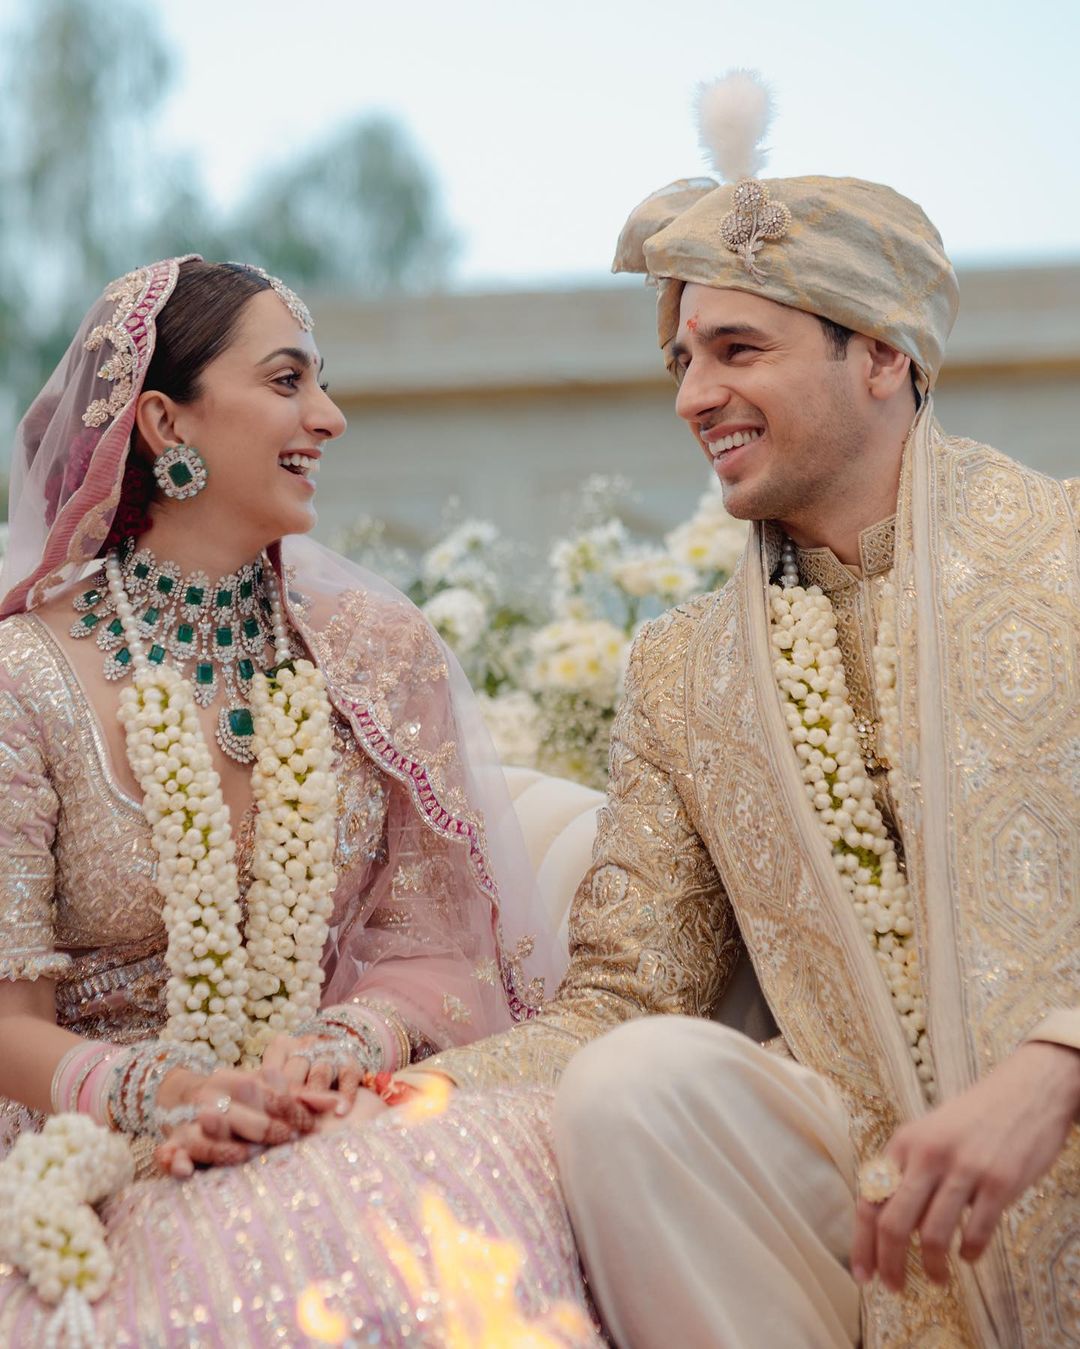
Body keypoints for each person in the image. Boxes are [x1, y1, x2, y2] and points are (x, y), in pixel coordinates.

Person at [411, 75, 1080, 1346]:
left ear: (882, 354)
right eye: (681, 359)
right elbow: (623, 996)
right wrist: (398, 1090)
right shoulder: (686, 667)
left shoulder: (1067, 549)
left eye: (737, 350)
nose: (690, 397)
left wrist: (1056, 1063)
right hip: (863, 1202)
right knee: (635, 1083)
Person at [0, 256, 603, 1346]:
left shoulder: (374, 655)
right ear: (160, 423)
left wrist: (341, 1039)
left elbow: (442, 948)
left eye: (320, 382)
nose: (327, 416)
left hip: (325, 1107)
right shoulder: (22, 677)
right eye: (286, 381)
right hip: (83, 1138)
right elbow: (6, 1024)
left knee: (458, 1183)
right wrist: (168, 1091)